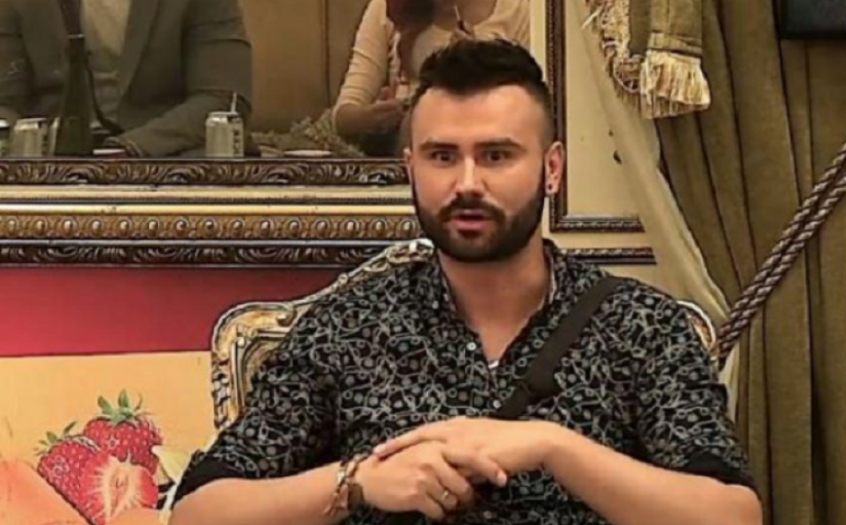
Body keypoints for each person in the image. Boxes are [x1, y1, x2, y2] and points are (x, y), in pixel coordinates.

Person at [168, 39, 762, 525]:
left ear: (552, 169)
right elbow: (199, 513)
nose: (468, 183)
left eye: (497, 156)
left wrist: (554, 447)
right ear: (411, 169)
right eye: (443, 156)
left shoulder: (640, 326)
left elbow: (731, 517)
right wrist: (358, 482)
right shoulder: (347, 328)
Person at [0, 0, 252, 157]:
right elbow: (6, 103)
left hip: (165, 158)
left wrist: (128, 149)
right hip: (49, 164)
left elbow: (222, 99)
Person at [333, 0, 529, 156]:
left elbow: (530, 115)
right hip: (400, 171)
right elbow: (343, 117)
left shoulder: (520, 9)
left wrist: (476, 72)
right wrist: (372, 119)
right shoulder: (388, 8)